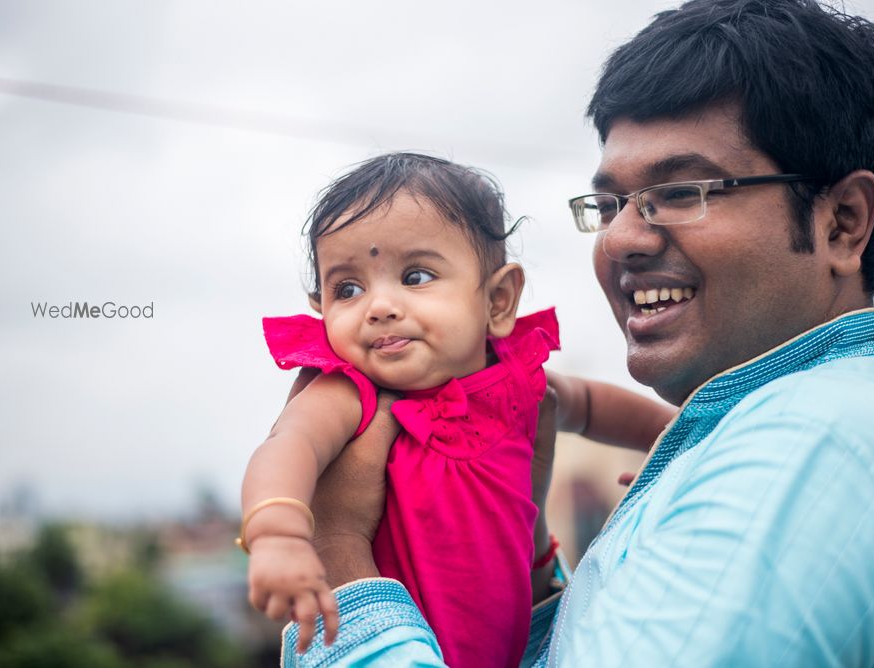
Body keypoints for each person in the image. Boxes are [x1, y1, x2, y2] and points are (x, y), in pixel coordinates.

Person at [279, 0, 874, 666]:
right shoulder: (773, 436)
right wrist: (529, 564)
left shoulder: (806, 453)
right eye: (609, 204)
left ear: (843, 222)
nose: (620, 237)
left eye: (685, 191)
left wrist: (339, 562)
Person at [240, 152, 672, 667]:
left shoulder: (515, 383)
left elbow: (593, 405)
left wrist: (679, 440)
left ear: (497, 301)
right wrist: (277, 531)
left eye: (416, 276)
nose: (379, 306)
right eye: (348, 288)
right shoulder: (349, 393)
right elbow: (289, 445)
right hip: (388, 641)